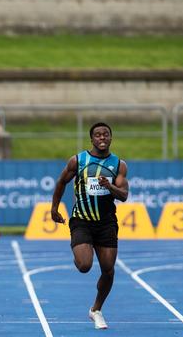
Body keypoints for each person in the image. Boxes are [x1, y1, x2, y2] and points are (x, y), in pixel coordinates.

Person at [50, 122, 128, 330]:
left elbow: (124, 195)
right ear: (91, 139)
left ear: (111, 138)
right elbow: (61, 182)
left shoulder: (119, 164)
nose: (102, 138)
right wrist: (54, 208)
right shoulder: (78, 160)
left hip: (106, 223)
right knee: (84, 265)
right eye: (98, 135)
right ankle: (79, 250)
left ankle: (96, 310)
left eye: (106, 135)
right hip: (82, 220)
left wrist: (109, 186)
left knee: (108, 270)